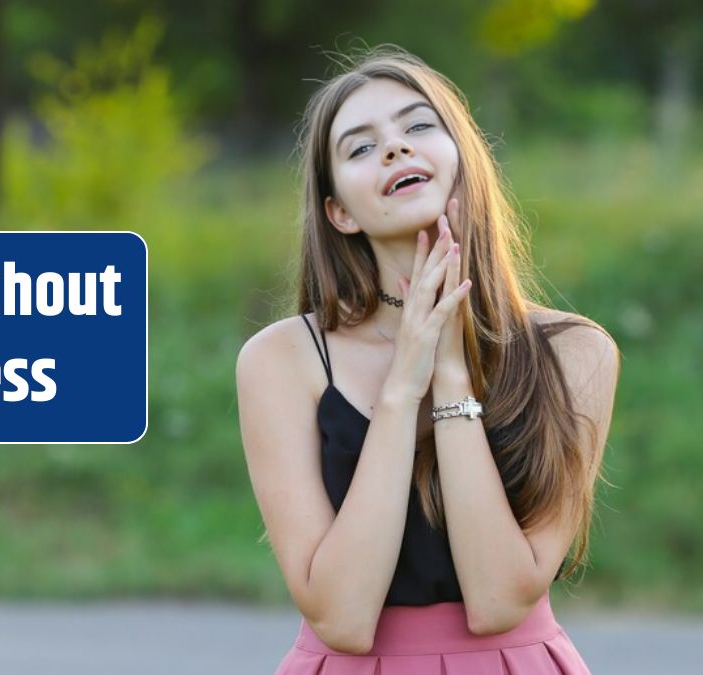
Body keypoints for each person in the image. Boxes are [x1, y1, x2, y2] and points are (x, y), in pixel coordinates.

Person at [235, 44, 621, 674]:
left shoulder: (576, 353)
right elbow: (342, 617)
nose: (394, 149)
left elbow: (499, 601)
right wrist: (401, 386)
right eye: (360, 147)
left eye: (418, 126)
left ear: (463, 159)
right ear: (340, 212)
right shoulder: (282, 360)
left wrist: (449, 374)